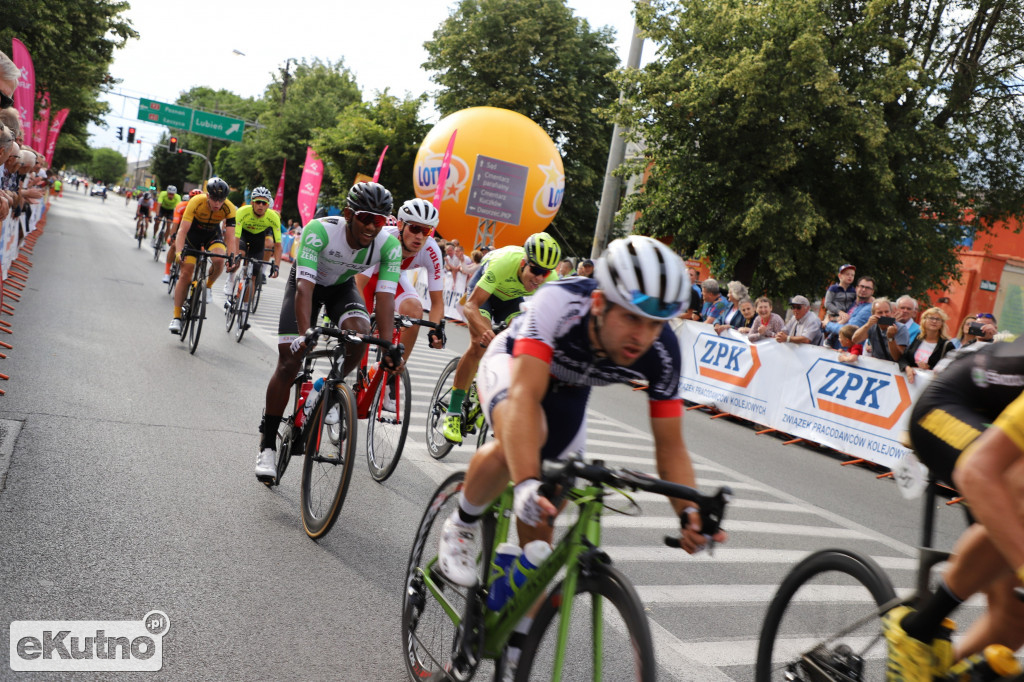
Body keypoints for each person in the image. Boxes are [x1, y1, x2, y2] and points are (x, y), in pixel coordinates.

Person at [434, 236, 726, 675]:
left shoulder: (662, 349)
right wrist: (527, 479)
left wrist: (688, 512)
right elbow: (526, 398)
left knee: (546, 525)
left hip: (572, 392)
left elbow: (671, 447)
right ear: (598, 303)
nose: (642, 336)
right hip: (514, 366)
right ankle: (462, 523)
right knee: (530, 446)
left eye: (655, 323)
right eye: (631, 317)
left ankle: (515, 642)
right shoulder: (556, 302)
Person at [884, 337, 1024, 681]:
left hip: (990, 418)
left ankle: (939, 674)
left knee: (1013, 623)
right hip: (944, 408)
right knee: (1017, 487)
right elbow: (976, 471)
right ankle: (918, 630)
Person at [255, 182, 403, 482]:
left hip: (340, 289)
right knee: (289, 362)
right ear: (349, 213)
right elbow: (304, 288)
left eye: (380, 220)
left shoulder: (389, 246)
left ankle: (326, 388)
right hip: (305, 285)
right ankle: (267, 445)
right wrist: (306, 332)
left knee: (360, 333)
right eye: (366, 218)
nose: (373, 227)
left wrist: (387, 346)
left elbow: (385, 298)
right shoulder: (319, 231)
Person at [441, 232, 561, 444]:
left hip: (511, 300)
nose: (539, 278)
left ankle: (487, 391)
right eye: (536, 270)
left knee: (520, 348)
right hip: (484, 296)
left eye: (546, 272)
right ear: (524, 263)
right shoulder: (504, 263)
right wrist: (485, 332)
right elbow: (471, 306)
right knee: (480, 345)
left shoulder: (550, 280)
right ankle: (452, 412)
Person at [355, 197, 446, 372]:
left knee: (415, 311)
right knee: (361, 328)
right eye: (414, 228)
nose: (419, 236)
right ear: (400, 225)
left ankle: (392, 373)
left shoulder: (431, 250)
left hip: (393, 279)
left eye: (426, 231)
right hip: (367, 278)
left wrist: (435, 330)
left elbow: (437, 302)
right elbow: (359, 283)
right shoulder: (382, 238)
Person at [168, 178, 238, 334]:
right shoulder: (196, 202)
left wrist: (231, 256)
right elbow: (182, 231)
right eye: (214, 198)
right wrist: (179, 252)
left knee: (219, 259)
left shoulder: (229, 208)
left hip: (213, 234)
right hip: (192, 236)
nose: (217, 203)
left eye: (221, 200)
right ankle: (177, 317)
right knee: (186, 273)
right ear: (207, 195)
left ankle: (208, 286)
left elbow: (231, 237)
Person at [223, 186, 282, 316]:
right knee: (241, 255)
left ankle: (244, 308)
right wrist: (234, 257)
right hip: (243, 235)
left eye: (264, 203)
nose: (261, 205)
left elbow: (278, 245)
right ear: (252, 202)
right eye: (258, 202)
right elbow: (236, 238)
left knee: (253, 276)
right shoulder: (242, 212)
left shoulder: (273, 216)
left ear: (268, 205)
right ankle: (231, 278)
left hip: (258, 239)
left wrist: (276, 266)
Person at [898, 307, 954, 383]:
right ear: (924, 321)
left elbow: (951, 370)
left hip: (929, 385)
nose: (934, 321)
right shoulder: (918, 338)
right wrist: (907, 368)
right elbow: (904, 358)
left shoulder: (947, 345)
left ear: (942, 324)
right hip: (910, 383)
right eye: (931, 318)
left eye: (938, 319)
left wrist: (930, 368)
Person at [162, 189, 203, 283]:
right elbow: (175, 224)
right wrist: (172, 236)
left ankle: (196, 277)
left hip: (195, 231)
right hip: (181, 227)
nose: (195, 200)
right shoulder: (181, 206)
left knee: (201, 251)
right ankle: (167, 273)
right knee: (174, 246)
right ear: (189, 198)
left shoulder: (203, 209)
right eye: (192, 198)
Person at [851, 297, 908, 361]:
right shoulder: (872, 326)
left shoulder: (900, 328)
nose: (884, 315)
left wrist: (890, 338)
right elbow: (855, 340)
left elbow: (898, 358)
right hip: (877, 365)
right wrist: (867, 325)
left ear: (891, 312)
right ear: (873, 314)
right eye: (880, 312)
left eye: (886, 312)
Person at [821, 276, 875, 340]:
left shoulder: (868, 309)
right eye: (862, 286)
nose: (863, 289)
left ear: (872, 292)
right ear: (856, 288)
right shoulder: (851, 304)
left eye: (868, 288)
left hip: (848, 348)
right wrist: (831, 320)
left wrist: (828, 324)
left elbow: (849, 331)